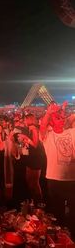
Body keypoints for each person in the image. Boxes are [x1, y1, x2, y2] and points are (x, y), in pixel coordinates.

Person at [40, 102, 75, 239]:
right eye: (57, 119)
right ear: (52, 122)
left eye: (61, 118)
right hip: (54, 179)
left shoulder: (72, 132)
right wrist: (49, 113)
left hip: (72, 179)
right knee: (57, 212)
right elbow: (42, 126)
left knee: (73, 213)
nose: (60, 121)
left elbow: (72, 117)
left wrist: (63, 111)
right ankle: (57, 239)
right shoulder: (48, 136)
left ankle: (71, 238)